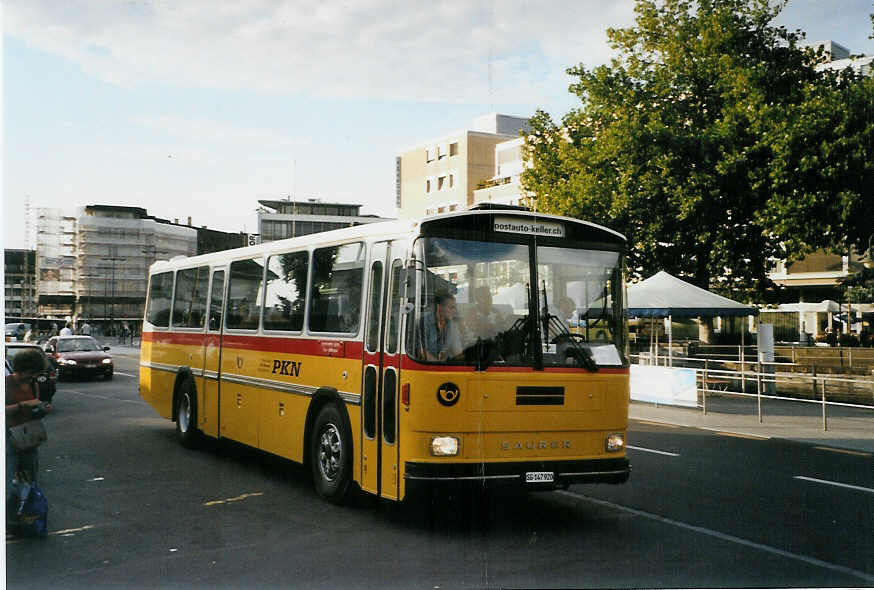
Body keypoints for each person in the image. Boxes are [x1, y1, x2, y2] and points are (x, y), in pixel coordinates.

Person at [6, 348, 52, 533]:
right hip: (9, 436)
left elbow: (36, 404)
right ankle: (10, 520)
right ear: (22, 369)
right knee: (9, 480)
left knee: (29, 478)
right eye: (32, 373)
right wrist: (22, 405)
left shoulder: (33, 384)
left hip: (29, 436)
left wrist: (42, 408)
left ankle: (27, 515)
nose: (34, 376)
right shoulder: (7, 384)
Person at [420, 293, 463, 361]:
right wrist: (438, 365)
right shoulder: (424, 322)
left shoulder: (452, 325)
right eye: (451, 307)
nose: (454, 311)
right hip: (428, 365)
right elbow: (421, 351)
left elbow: (457, 350)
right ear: (439, 307)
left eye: (455, 308)